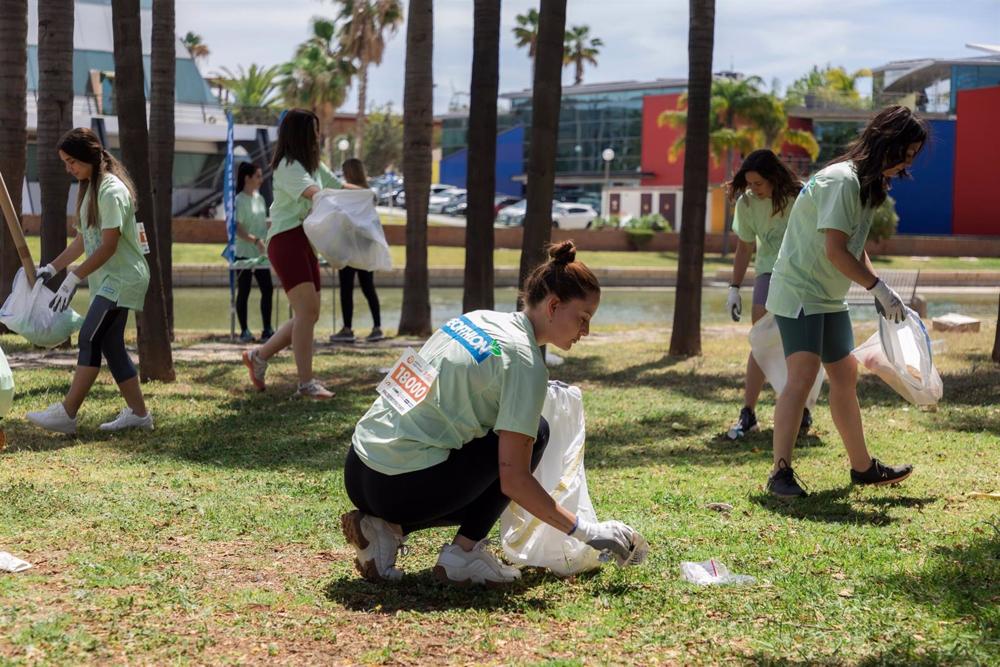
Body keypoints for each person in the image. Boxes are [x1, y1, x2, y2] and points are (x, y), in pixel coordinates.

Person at [341, 241, 642, 586]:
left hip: (359, 465)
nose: (585, 332)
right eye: (583, 319)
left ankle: (385, 529)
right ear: (554, 306)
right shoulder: (526, 363)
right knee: (536, 435)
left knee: (501, 442)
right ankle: (463, 556)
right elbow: (514, 480)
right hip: (395, 487)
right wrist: (586, 531)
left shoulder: (476, 318)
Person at [764, 105, 927, 497]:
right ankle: (779, 474)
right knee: (801, 378)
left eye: (913, 156)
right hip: (801, 290)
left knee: (845, 376)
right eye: (904, 153)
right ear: (886, 142)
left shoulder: (867, 186)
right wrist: (875, 288)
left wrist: (879, 287)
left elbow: (852, 248)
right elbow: (836, 252)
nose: (907, 163)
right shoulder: (842, 181)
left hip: (829, 295)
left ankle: (862, 467)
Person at [26, 127, 152, 435]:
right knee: (110, 344)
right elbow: (84, 240)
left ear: (88, 157)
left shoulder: (110, 190)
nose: (69, 168)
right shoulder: (91, 190)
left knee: (88, 338)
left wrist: (74, 277)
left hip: (123, 278)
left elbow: (109, 245)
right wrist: (52, 268)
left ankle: (67, 414)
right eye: (65, 163)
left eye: (72, 162)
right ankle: (139, 414)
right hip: (111, 278)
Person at [241, 108, 341, 399]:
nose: (317, 136)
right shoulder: (287, 165)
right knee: (307, 312)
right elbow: (315, 193)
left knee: (308, 314)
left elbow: (337, 187)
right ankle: (306, 383)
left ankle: (258, 356)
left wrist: (364, 193)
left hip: (304, 240)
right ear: (300, 134)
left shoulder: (313, 164)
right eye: (313, 131)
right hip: (286, 240)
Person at [725, 149, 812, 439]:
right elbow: (744, 247)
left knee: (798, 343)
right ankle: (748, 412)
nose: (753, 189)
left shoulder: (800, 196)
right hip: (768, 273)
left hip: (801, 275)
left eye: (758, 183)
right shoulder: (747, 204)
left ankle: (801, 408)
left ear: (774, 178)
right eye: (749, 184)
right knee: (761, 341)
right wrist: (734, 288)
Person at [329, 158, 383, 344]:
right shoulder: (368, 194)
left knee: (350, 288)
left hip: (352, 246)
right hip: (363, 245)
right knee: (365, 287)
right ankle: (375, 327)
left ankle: (349, 328)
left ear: (349, 173)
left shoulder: (361, 193)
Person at [233, 161, 274, 343]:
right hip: (243, 252)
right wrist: (255, 241)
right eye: (257, 176)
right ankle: (244, 331)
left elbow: (263, 224)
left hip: (261, 254)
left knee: (268, 289)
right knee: (244, 291)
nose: (261, 179)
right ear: (247, 178)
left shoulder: (260, 198)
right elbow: (238, 229)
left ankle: (267, 330)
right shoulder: (238, 200)